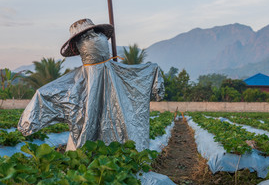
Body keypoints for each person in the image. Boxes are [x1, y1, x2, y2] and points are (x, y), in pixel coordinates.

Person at [18, 18, 164, 151]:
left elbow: (45, 94)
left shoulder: (85, 76)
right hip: (98, 73)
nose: (92, 39)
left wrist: (27, 123)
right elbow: (45, 94)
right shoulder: (88, 76)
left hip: (106, 72)